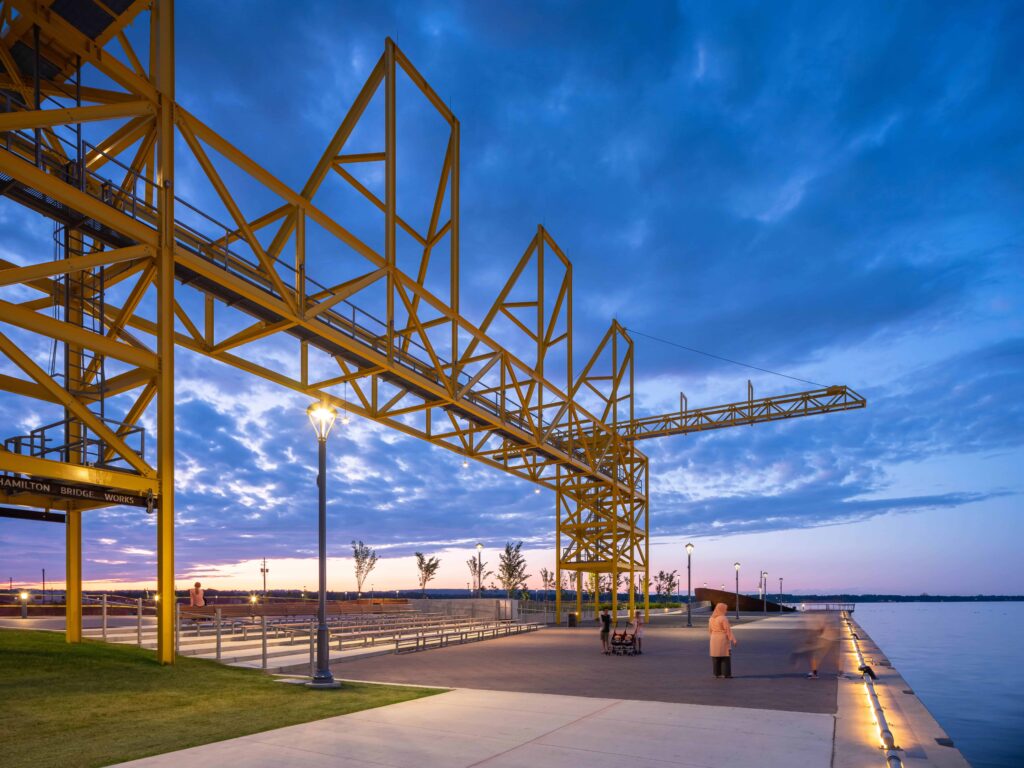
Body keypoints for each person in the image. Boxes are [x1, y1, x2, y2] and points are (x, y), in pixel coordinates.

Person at [708, 602, 737, 678]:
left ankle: (717, 674)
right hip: (722, 639)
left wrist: (712, 637)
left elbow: (710, 630)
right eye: (725, 609)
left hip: (713, 638)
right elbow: (728, 630)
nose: (726, 611)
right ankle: (726, 674)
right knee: (725, 656)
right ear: (721, 609)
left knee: (715, 657)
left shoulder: (711, 618)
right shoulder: (723, 618)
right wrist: (733, 640)